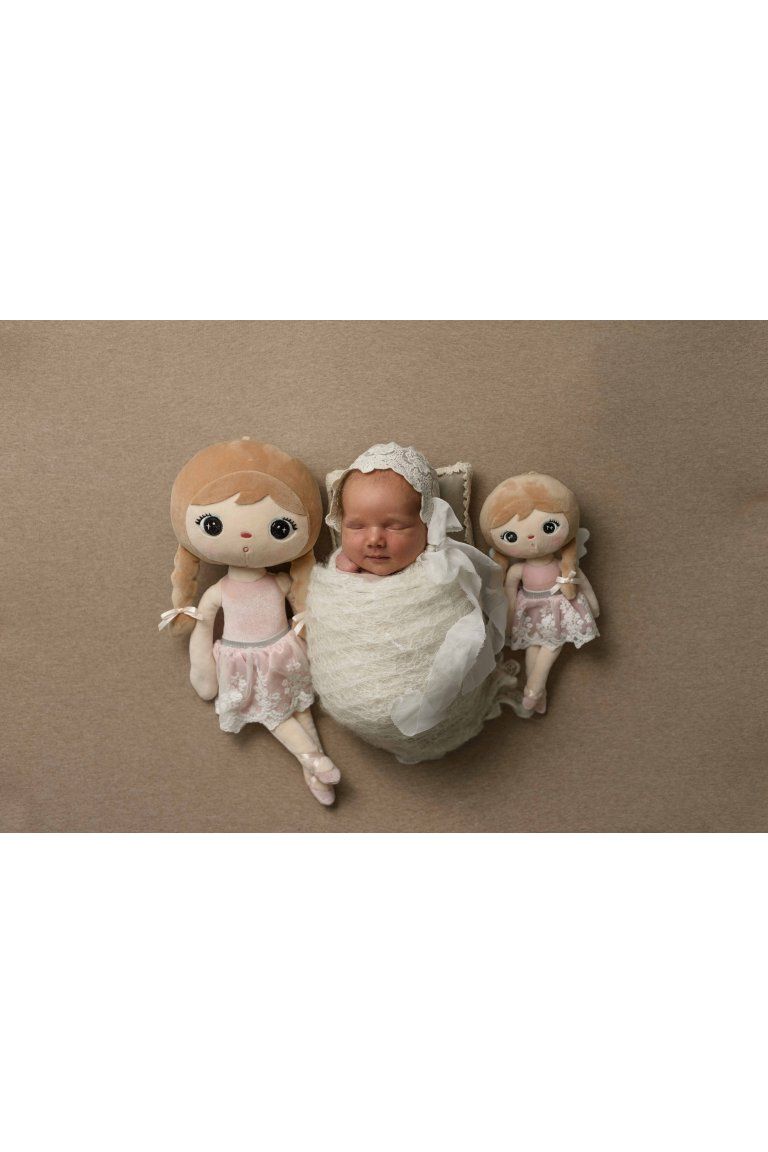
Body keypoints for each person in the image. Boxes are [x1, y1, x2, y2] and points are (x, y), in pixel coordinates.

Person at [306, 443, 516, 762]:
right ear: (339, 522)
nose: (374, 540)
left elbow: (455, 622)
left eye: (395, 526)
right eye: (356, 526)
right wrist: (344, 573)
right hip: (353, 697)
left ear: (428, 525)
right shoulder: (341, 570)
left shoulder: (440, 569)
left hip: (429, 693)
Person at [159, 438, 341, 806]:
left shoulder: (280, 582)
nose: (244, 538)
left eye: (279, 528)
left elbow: (302, 604)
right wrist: (203, 669)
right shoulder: (218, 592)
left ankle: (315, 768)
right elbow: (203, 626)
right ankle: (312, 758)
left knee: (300, 707)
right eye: (213, 524)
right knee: (272, 714)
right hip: (245, 663)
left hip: (284, 651)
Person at [480, 471, 600, 716]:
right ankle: (539, 696)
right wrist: (508, 618)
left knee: (551, 646)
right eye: (511, 536)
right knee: (532, 648)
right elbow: (509, 593)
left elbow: (583, 584)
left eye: (548, 527)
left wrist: (593, 605)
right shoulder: (517, 570)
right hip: (529, 613)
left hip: (558, 610)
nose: (532, 538)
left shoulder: (563, 567)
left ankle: (533, 689)